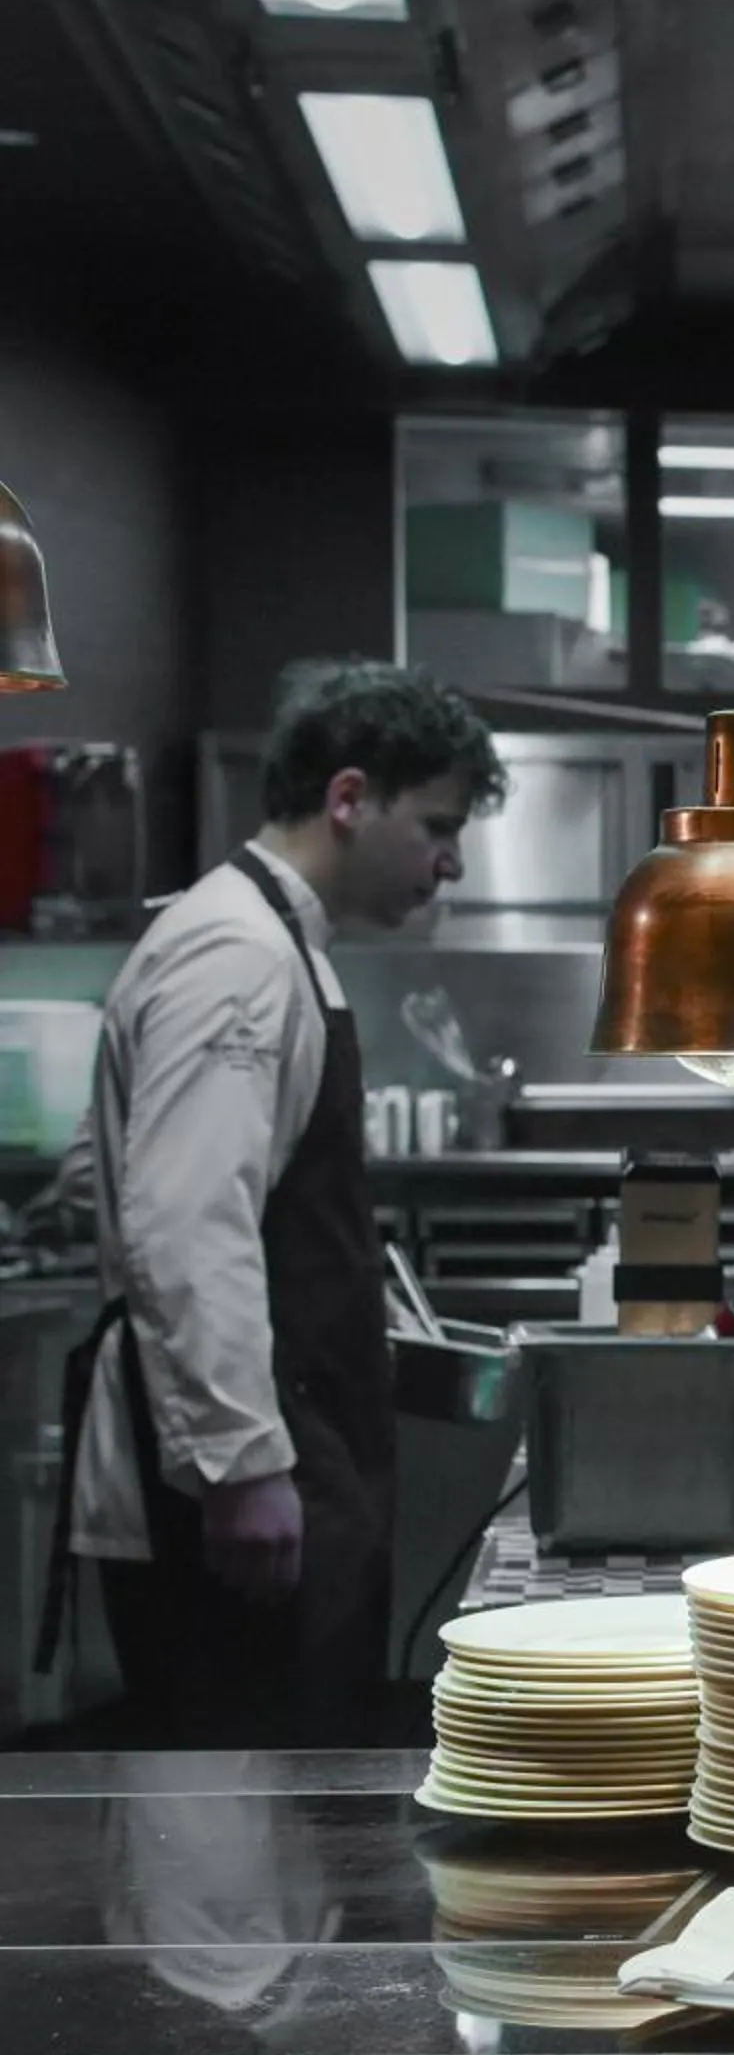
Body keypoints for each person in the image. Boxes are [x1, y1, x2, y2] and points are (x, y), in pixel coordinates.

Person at [37, 660, 504, 1746]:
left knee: (286, 1815)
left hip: (287, 1437)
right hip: (235, 1479)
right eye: (436, 824)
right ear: (349, 799)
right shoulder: (239, 955)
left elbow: (92, 1176)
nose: (453, 862)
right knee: (236, 1824)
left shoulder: (273, 943)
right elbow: (185, 1224)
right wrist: (241, 1463)